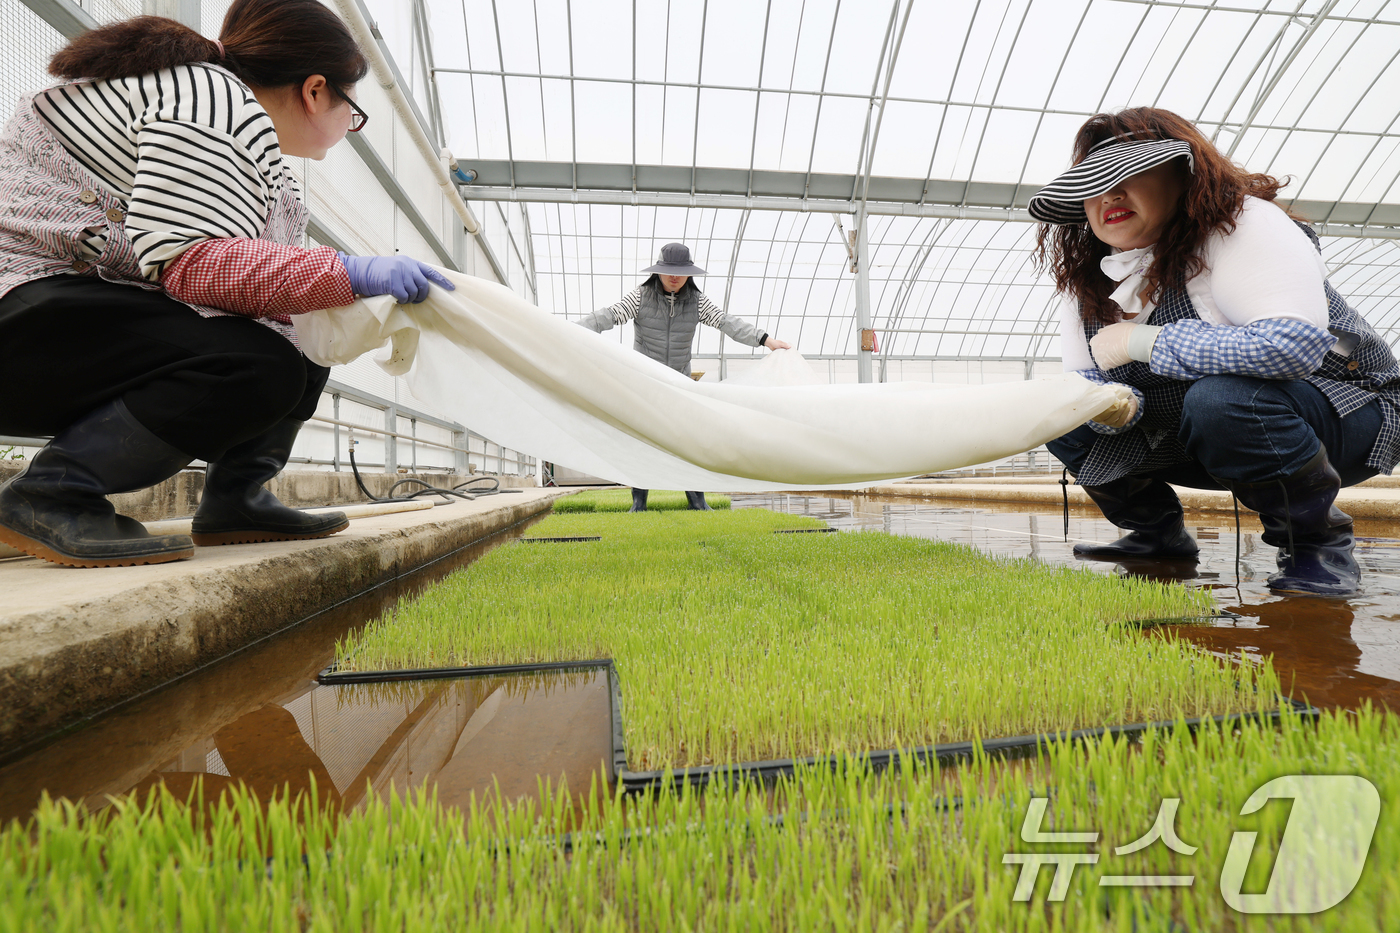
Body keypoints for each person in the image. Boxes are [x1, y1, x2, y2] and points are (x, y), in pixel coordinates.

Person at [0, 1, 452, 568]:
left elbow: (266, 281)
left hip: (52, 321)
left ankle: (235, 500)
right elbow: (191, 264)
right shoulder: (214, 102)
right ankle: (51, 494)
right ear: (315, 90)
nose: (348, 126)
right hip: (20, 307)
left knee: (306, 335)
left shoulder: (248, 144)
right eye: (352, 111)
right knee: (258, 363)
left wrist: (338, 285)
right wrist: (351, 272)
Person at [1031, 107, 1400, 597]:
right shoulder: (1093, 280)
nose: (1110, 195)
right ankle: (1156, 534)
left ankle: (1317, 547)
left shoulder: (1245, 226)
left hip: (1347, 411)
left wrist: (1146, 341)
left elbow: (1293, 348)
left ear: (1184, 174)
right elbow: (1084, 382)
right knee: (1056, 411)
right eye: (1094, 186)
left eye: (1129, 173)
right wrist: (1113, 406)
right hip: (1212, 428)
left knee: (1222, 398)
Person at [580, 242, 791, 512]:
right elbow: (608, 316)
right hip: (645, 382)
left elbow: (726, 322)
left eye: (681, 272)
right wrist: (570, 329)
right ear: (658, 271)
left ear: (689, 274)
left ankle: (697, 501)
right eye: (669, 271)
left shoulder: (697, 302)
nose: (674, 278)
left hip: (680, 383)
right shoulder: (641, 297)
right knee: (644, 440)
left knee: (688, 440)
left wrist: (765, 339)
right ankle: (639, 502)